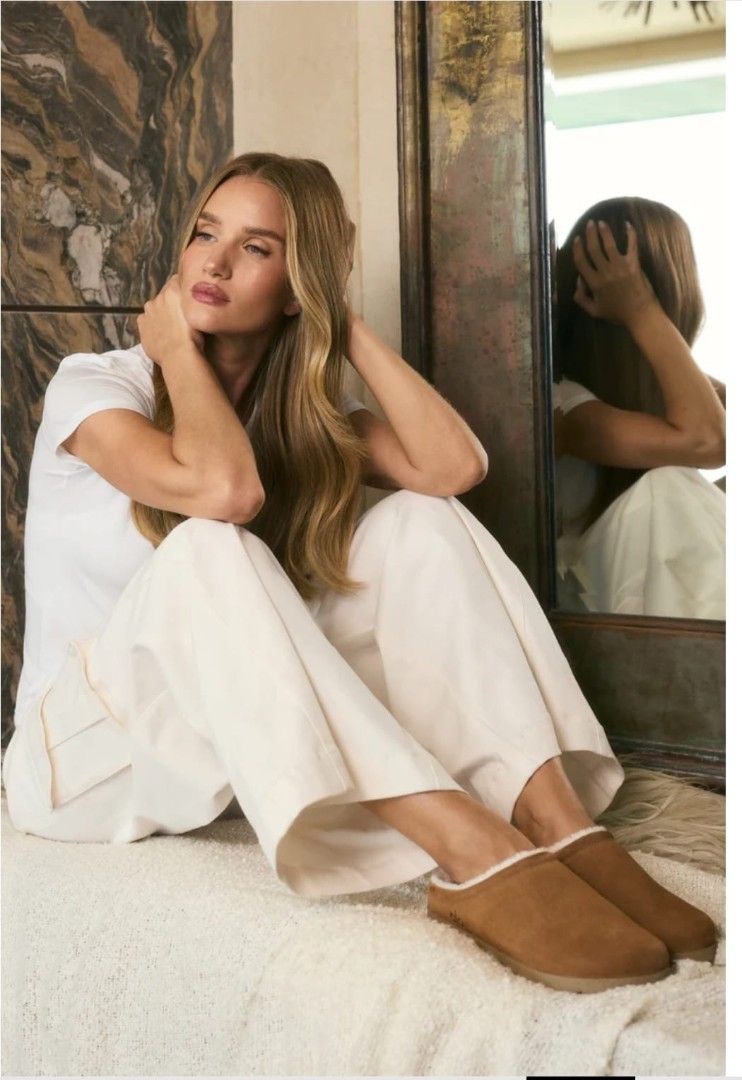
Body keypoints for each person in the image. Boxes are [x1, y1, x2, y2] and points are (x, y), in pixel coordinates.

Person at [1, 154, 716, 994]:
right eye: (204, 234)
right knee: (209, 546)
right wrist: (176, 354)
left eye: (257, 248)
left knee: (420, 521)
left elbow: (454, 468)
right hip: (77, 765)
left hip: (201, 756)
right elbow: (224, 492)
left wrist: (339, 322)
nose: (214, 263)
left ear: (296, 285)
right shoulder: (93, 388)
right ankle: (468, 845)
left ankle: (553, 821)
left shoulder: (302, 416)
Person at [552, 197, 725, 618]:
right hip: (591, 620)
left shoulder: (681, 396)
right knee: (668, 488)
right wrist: (642, 310)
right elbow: (708, 442)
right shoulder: (562, 406)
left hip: (653, 611)